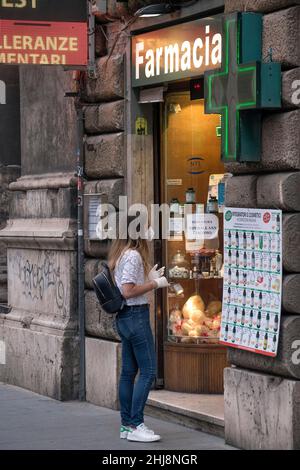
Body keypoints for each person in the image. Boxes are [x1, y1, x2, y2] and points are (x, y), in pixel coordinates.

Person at [109, 220, 169, 443]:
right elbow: (127, 290)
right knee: (149, 370)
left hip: (125, 318)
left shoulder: (121, 253)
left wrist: (147, 278)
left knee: (128, 372)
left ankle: (126, 425)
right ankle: (136, 424)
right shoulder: (133, 255)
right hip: (136, 316)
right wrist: (155, 284)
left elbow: (126, 285)